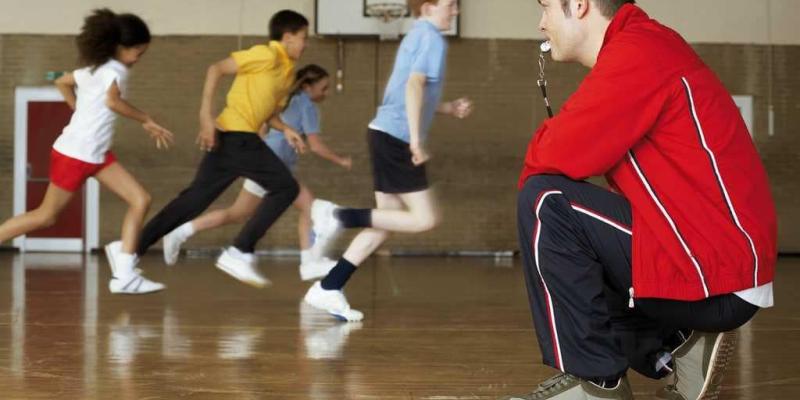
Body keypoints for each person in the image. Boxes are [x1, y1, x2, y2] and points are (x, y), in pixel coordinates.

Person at [504, 1, 776, 399]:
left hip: (715, 274)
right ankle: (677, 347)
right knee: (584, 231)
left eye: (546, 7)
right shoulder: (645, 45)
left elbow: (552, 154)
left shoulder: (638, 52)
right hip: (719, 265)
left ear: (578, 5)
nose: (541, 24)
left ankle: (597, 384)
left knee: (546, 201)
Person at [302, 0, 473, 322]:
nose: (455, 11)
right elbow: (413, 85)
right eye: (449, 5)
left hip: (383, 133)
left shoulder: (417, 35)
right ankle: (337, 216)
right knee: (425, 219)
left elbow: (407, 92)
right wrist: (416, 140)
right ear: (427, 7)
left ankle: (328, 286)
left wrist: (447, 108)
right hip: (396, 138)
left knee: (386, 220)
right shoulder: (432, 39)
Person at [0, 9, 174, 295]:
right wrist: (146, 119)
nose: (137, 60)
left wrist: (77, 108)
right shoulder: (115, 70)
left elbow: (62, 81)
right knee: (45, 216)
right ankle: (124, 263)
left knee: (140, 199)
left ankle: (125, 272)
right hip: (77, 154)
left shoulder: (92, 69)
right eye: (138, 53)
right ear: (121, 48)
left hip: (96, 154)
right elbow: (113, 102)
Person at [134, 10, 311, 289]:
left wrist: (286, 129)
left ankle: (130, 249)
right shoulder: (266, 55)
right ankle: (239, 251)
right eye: (303, 38)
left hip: (232, 140)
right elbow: (215, 69)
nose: (305, 44)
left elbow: (266, 112)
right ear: (288, 38)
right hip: (237, 137)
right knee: (286, 188)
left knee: (193, 201)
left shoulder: (286, 74)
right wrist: (205, 117)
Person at [162, 64, 352, 282]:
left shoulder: (287, 100)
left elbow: (262, 124)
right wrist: (342, 160)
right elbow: (316, 146)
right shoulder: (306, 105)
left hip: (270, 164)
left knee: (237, 214)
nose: (326, 93)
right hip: (271, 166)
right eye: (324, 88)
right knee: (307, 207)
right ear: (308, 87)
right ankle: (309, 262)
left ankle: (180, 232)